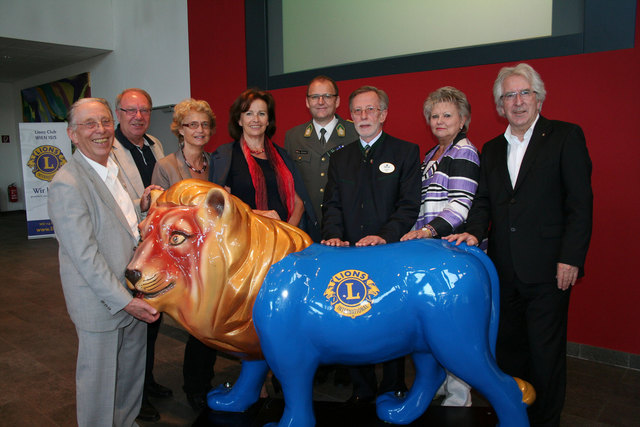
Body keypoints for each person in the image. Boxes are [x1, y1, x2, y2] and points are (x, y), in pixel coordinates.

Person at [447, 63, 593, 426]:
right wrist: (473, 232)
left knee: (545, 356)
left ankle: (545, 422)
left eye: (524, 92)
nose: (517, 101)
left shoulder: (565, 136)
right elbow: (483, 202)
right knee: (509, 353)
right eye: (508, 95)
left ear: (538, 96)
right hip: (504, 269)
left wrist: (571, 258)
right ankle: (515, 417)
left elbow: (580, 204)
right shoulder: (493, 149)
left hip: (549, 270)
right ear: (500, 105)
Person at [48, 98, 160, 427]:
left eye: (105, 121)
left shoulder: (115, 168)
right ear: (72, 134)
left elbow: (123, 224)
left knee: (129, 380)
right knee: (99, 387)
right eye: (89, 124)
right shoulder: (67, 184)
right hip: (102, 303)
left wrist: (143, 209)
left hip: (132, 293)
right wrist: (126, 302)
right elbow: (85, 257)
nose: (101, 130)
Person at [321, 85, 421, 403]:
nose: (364, 116)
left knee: (391, 320)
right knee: (354, 320)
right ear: (350, 117)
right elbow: (332, 204)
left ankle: (393, 385)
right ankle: (362, 388)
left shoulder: (405, 152)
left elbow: (408, 205)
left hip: (388, 253)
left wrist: (385, 236)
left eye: (371, 109)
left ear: (384, 114)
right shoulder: (340, 159)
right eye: (358, 111)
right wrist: (334, 235)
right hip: (348, 254)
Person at [401, 86, 480, 407]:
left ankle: (460, 393)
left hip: (453, 254)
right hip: (431, 253)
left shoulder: (464, 152)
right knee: (435, 326)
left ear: (463, 119)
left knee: (454, 329)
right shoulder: (432, 155)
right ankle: (440, 382)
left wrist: (429, 231)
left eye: (447, 115)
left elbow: (461, 205)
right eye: (434, 116)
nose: (439, 121)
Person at [151, 98, 217, 411]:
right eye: (192, 124)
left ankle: (203, 380)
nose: (199, 130)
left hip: (212, 257)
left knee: (211, 321)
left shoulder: (214, 162)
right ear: (179, 129)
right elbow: (161, 217)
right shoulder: (166, 166)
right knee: (195, 323)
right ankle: (194, 387)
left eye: (204, 124)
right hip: (182, 259)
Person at [111, 88, 169, 421]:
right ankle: (135, 394)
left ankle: (147, 381)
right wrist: (143, 203)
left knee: (151, 321)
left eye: (144, 110)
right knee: (132, 328)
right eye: (130, 110)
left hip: (154, 248)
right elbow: (114, 201)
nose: (138, 116)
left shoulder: (155, 144)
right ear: (119, 113)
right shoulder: (110, 149)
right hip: (128, 247)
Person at [208, 88, 316, 233]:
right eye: (249, 113)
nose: (256, 119)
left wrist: (287, 232)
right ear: (239, 120)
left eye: (262, 114)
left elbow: (299, 203)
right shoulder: (227, 156)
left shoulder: (282, 156)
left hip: (283, 239)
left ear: (268, 121)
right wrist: (259, 214)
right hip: (246, 239)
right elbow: (223, 205)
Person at [284, 75, 358, 240]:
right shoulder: (293, 137)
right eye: (315, 97)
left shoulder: (355, 133)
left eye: (327, 96)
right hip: (308, 228)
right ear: (307, 102)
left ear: (337, 101)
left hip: (346, 228)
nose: (320, 101)